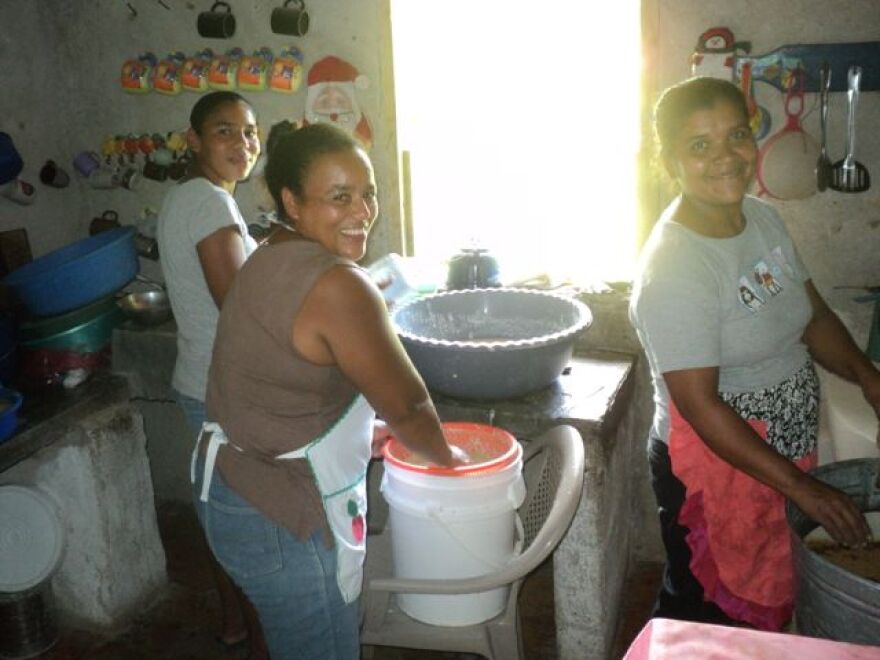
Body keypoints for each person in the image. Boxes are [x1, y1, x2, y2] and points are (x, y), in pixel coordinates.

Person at [190, 123, 464, 660]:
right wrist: (450, 463)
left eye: (368, 194)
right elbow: (408, 405)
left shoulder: (264, 256)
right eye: (340, 197)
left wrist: (359, 434)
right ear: (291, 200)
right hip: (283, 514)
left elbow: (281, 383)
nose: (362, 211)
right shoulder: (339, 285)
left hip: (227, 489)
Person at [629, 77, 877, 632]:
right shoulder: (676, 267)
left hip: (779, 451)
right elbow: (701, 406)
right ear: (669, 162)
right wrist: (801, 487)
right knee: (705, 611)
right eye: (700, 146)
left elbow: (812, 316)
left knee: (764, 592)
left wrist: (868, 376)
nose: (726, 157)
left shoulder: (762, 219)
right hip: (714, 466)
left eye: (736, 135)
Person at [156, 90, 267, 657]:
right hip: (220, 391)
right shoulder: (209, 204)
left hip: (199, 384)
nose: (242, 143)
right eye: (225, 131)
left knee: (221, 517)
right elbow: (240, 308)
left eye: (250, 132)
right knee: (246, 529)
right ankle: (263, 645)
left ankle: (232, 623)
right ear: (194, 140)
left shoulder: (188, 198)